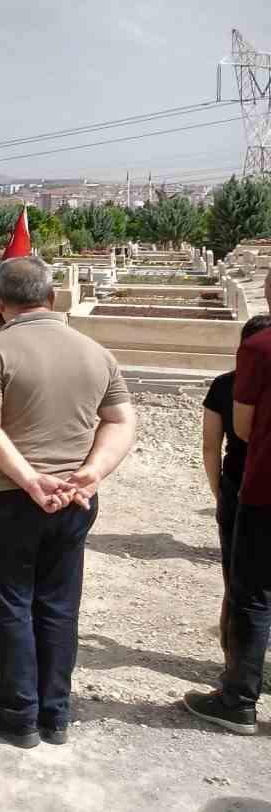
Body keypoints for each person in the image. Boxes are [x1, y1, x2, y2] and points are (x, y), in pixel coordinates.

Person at [0, 255, 135, 747]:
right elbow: (121, 420)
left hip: (9, 497)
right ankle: (55, 711)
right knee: (59, 603)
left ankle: (19, 710)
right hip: (75, 498)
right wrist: (91, 473)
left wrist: (29, 479)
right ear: (53, 298)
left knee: (10, 602)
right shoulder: (94, 352)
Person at [185, 270, 271, 734]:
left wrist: (220, 492)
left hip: (256, 488)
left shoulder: (245, 364)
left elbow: (232, 435)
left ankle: (238, 694)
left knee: (249, 592)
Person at [201, 315, 270, 665]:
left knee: (240, 583)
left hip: (240, 483)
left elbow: (210, 446)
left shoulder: (224, 385)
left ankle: (235, 664)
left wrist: (218, 492)